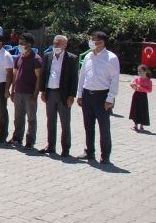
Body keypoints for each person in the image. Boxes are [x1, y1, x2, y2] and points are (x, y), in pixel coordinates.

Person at [77, 31, 120, 164]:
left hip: (102, 96)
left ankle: (105, 155)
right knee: (88, 126)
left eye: (94, 40)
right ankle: (89, 152)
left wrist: (110, 98)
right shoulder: (88, 56)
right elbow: (82, 76)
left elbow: (115, 80)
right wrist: (79, 94)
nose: (91, 42)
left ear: (101, 42)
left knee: (104, 127)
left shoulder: (111, 58)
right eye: (91, 39)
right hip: (87, 95)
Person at [39, 35, 78, 156]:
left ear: (65, 45)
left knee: (65, 123)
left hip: (64, 95)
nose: (55, 46)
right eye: (54, 43)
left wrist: (72, 96)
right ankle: (51, 146)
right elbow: (44, 74)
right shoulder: (47, 56)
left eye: (58, 43)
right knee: (50, 121)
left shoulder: (71, 58)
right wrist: (43, 91)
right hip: (50, 93)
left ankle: (65, 149)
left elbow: (74, 78)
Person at [7, 33, 42, 149]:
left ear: (29, 44)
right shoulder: (19, 57)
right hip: (18, 92)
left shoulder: (36, 59)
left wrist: (35, 95)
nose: (20, 45)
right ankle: (17, 138)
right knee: (18, 118)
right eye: (19, 43)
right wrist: (13, 90)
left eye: (22, 43)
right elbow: (15, 75)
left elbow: (39, 78)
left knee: (31, 119)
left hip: (29, 94)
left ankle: (30, 141)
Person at [129, 64, 152, 131]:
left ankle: (141, 126)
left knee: (143, 110)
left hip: (143, 97)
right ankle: (135, 125)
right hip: (136, 96)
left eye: (141, 71)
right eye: (138, 71)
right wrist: (132, 85)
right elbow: (132, 84)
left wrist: (141, 88)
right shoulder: (137, 79)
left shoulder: (149, 81)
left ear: (145, 71)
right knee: (135, 110)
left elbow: (150, 90)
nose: (139, 73)